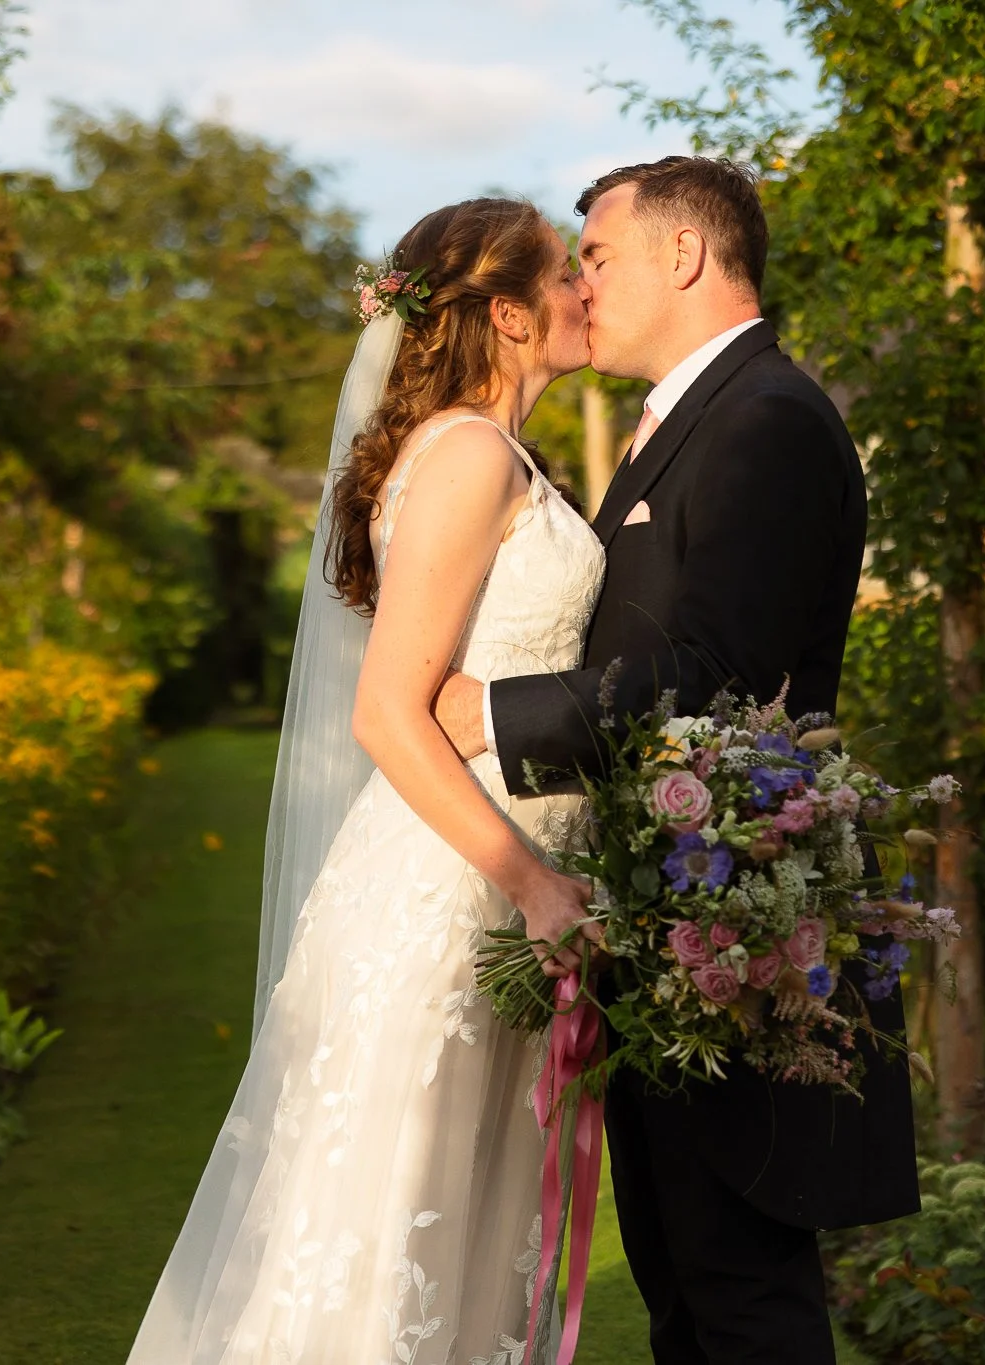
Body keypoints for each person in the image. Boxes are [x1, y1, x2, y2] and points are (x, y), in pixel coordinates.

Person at [434, 157, 919, 1364]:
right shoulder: (686, 423)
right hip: (667, 923)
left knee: (739, 1294)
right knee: (685, 1291)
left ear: (683, 257)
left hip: (739, 931)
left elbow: (709, 675)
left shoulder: (767, 422)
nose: (579, 286)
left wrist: (485, 713)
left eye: (592, 257)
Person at [127, 197, 604, 1365]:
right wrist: (535, 886)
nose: (587, 292)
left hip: (481, 880)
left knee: (447, 1235)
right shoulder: (468, 454)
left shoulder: (486, 451)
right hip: (453, 890)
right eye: (564, 277)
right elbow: (387, 713)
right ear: (505, 313)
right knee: (385, 1226)